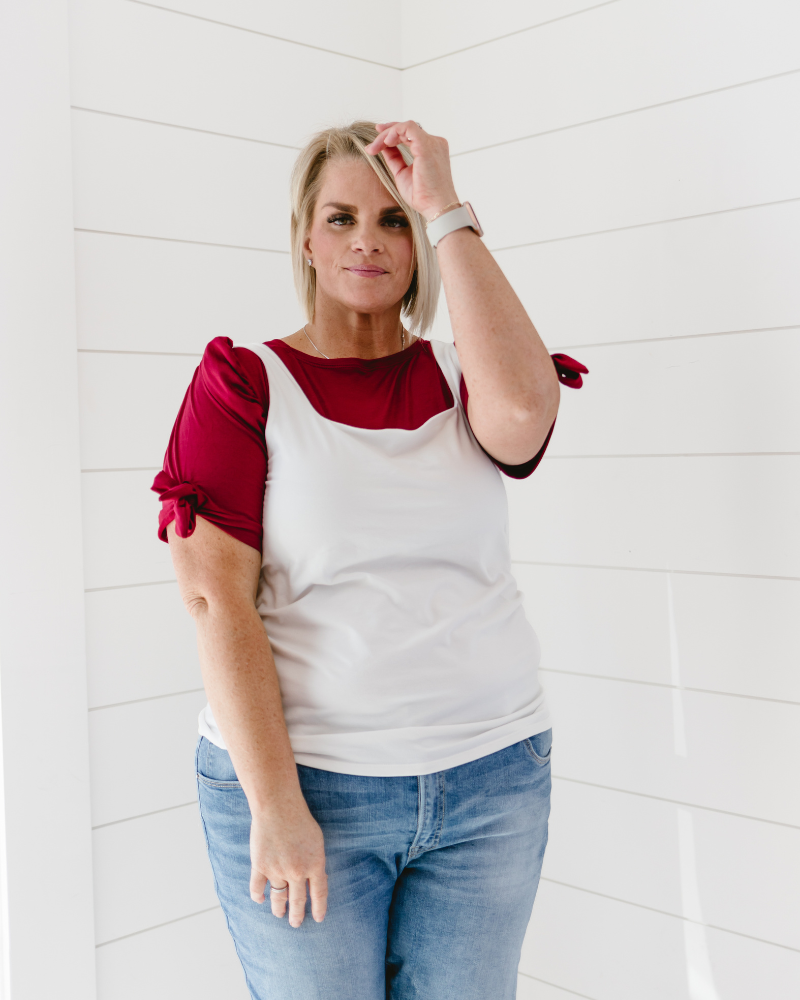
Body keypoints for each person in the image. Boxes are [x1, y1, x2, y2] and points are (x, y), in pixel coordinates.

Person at [153, 120, 587, 1000]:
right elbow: (216, 606)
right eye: (342, 217)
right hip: (310, 784)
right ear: (306, 240)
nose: (367, 241)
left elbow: (525, 416)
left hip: (493, 781)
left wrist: (447, 206)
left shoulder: (466, 379)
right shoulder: (245, 385)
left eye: (394, 221)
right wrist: (276, 807)